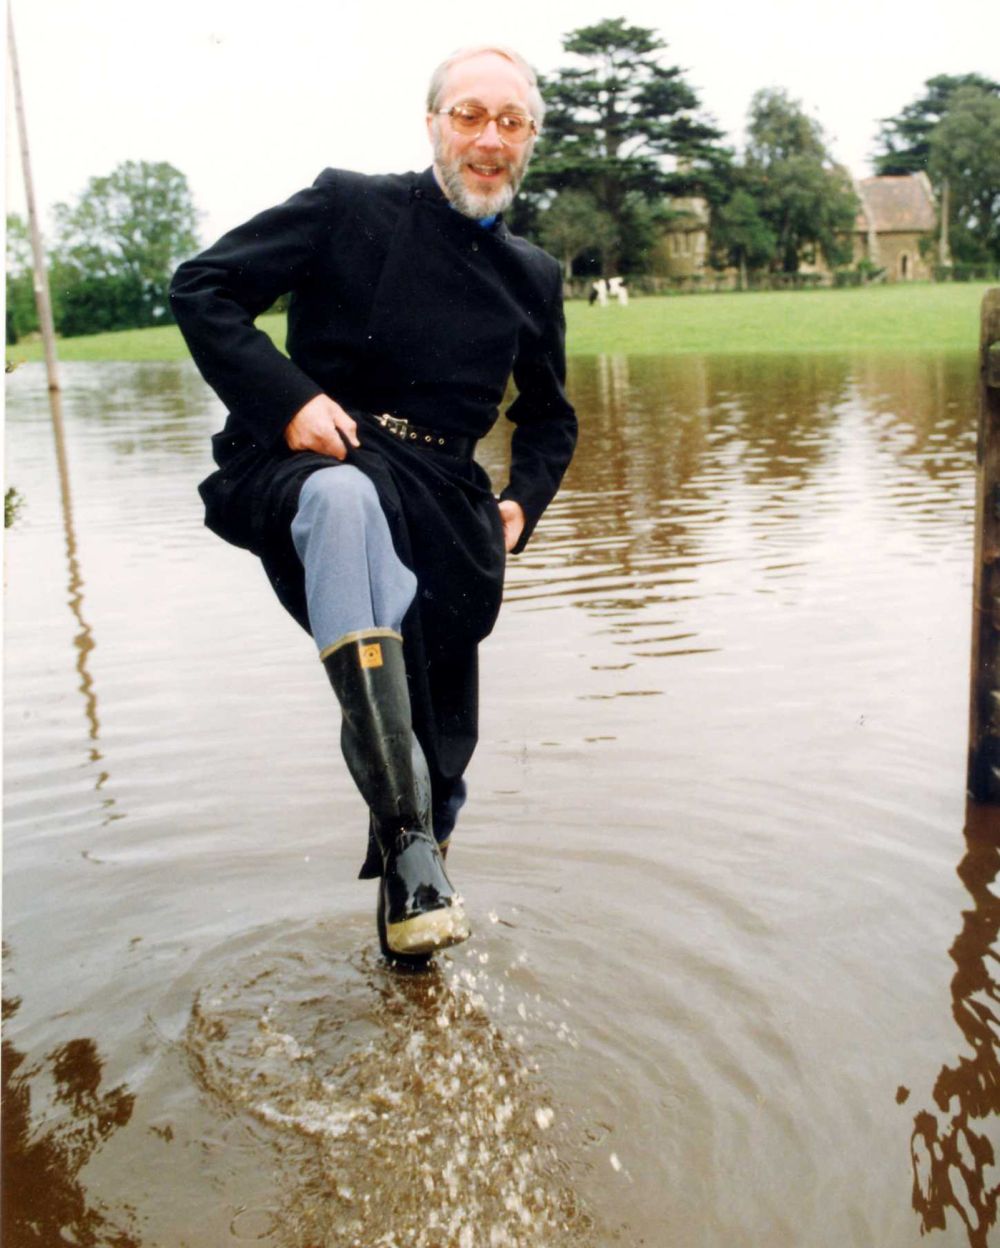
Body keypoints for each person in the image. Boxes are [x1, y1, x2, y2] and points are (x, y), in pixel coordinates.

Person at [169, 45, 577, 965]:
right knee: (348, 501)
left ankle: (412, 941)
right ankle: (403, 837)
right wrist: (289, 400)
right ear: (432, 122)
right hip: (323, 458)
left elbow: (551, 418)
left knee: (444, 764)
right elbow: (203, 287)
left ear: (529, 143)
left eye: (511, 124)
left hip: (445, 504)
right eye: (469, 115)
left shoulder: (534, 277)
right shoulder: (347, 204)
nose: (488, 139)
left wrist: (522, 504)